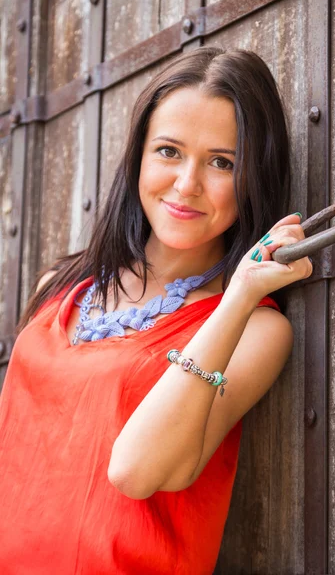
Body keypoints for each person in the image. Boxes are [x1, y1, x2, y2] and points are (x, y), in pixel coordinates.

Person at [0, 46, 312, 574]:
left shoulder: (255, 328)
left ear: (253, 176)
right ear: (138, 157)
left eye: (221, 162)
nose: (186, 184)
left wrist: (234, 298)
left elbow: (135, 471)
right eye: (169, 151)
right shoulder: (61, 288)